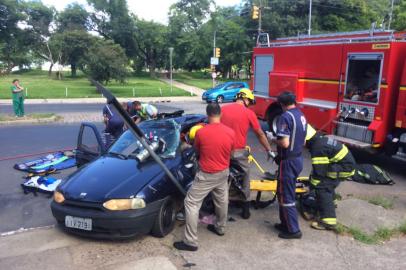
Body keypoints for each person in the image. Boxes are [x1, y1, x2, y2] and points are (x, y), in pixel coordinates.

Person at [174, 103, 235, 251]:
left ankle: (190, 242)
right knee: (222, 201)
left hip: (206, 174)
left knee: (191, 203)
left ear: (208, 115)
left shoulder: (201, 133)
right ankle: (220, 228)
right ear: (220, 114)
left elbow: (197, 151)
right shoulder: (230, 132)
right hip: (223, 173)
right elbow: (231, 154)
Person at [221, 88, 273, 219]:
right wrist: (268, 149)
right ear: (245, 99)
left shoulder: (223, 109)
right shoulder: (249, 113)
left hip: (222, 151)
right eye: (249, 101)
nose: (249, 104)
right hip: (239, 152)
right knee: (244, 178)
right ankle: (245, 210)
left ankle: (221, 207)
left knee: (221, 178)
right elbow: (260, 133)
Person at [268, 91, 307, 239]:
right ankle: (285, 223)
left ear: (282, 104)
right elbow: (303, 141)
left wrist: (272, 139)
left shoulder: (285, 117)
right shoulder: (301, 115)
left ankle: (293, 230)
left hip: (289, 162)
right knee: (282, 192)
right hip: (297, 159)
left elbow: (284, 142)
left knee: (286, 196)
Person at [305, 124, 356, 230]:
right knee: (325, 183)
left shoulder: (317, 148)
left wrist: (312, 187)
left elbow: (320, 172)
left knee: (322, 187)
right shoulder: (319, 140)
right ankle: (331, 202)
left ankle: (328, 221)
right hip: (343, 165)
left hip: (344, 168)